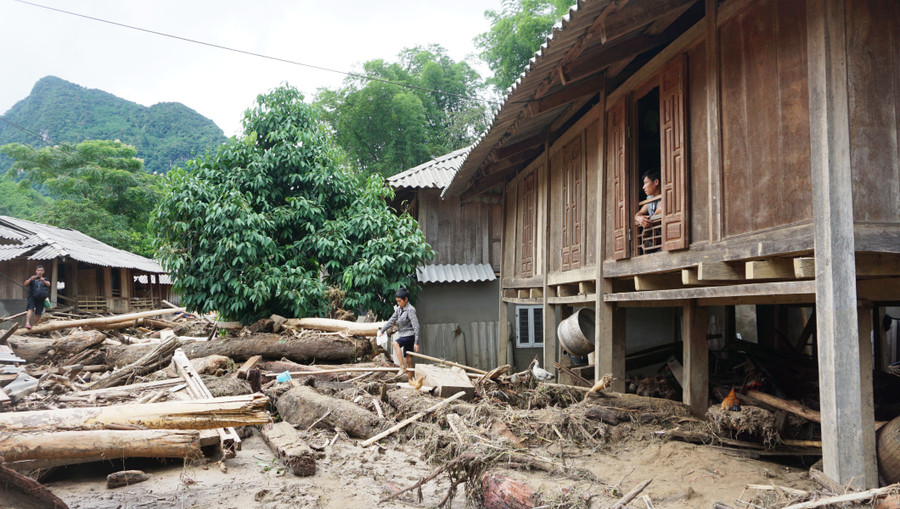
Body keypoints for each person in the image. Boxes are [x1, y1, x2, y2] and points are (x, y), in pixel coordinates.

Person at [378, 288, 420, 381]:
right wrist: (382, 331)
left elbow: (416, 326)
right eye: (397, 301)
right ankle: (410, 381)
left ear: (406, 299)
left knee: (395, 343)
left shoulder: (410, 310)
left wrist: (416, 342)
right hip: (403, 335)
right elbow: (391, 320)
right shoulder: (399, 309)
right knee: (408, 359)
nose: (398, 303)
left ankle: (402, 367)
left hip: (410, 335)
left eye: (400, 301)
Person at [24, 265, 50, 329]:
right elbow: (25, 284)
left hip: (41, 297)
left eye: (41, 270)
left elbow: (48, 284)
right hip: (32, 296)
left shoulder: (45, 279)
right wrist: (30, 279)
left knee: (38, 312)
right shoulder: (31, 278)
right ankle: (27, 323)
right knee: (30, 309)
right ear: (36, 271)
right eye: (38, 270)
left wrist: (43, 280)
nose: (39, 272)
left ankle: (34, 325)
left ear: (43, 272)